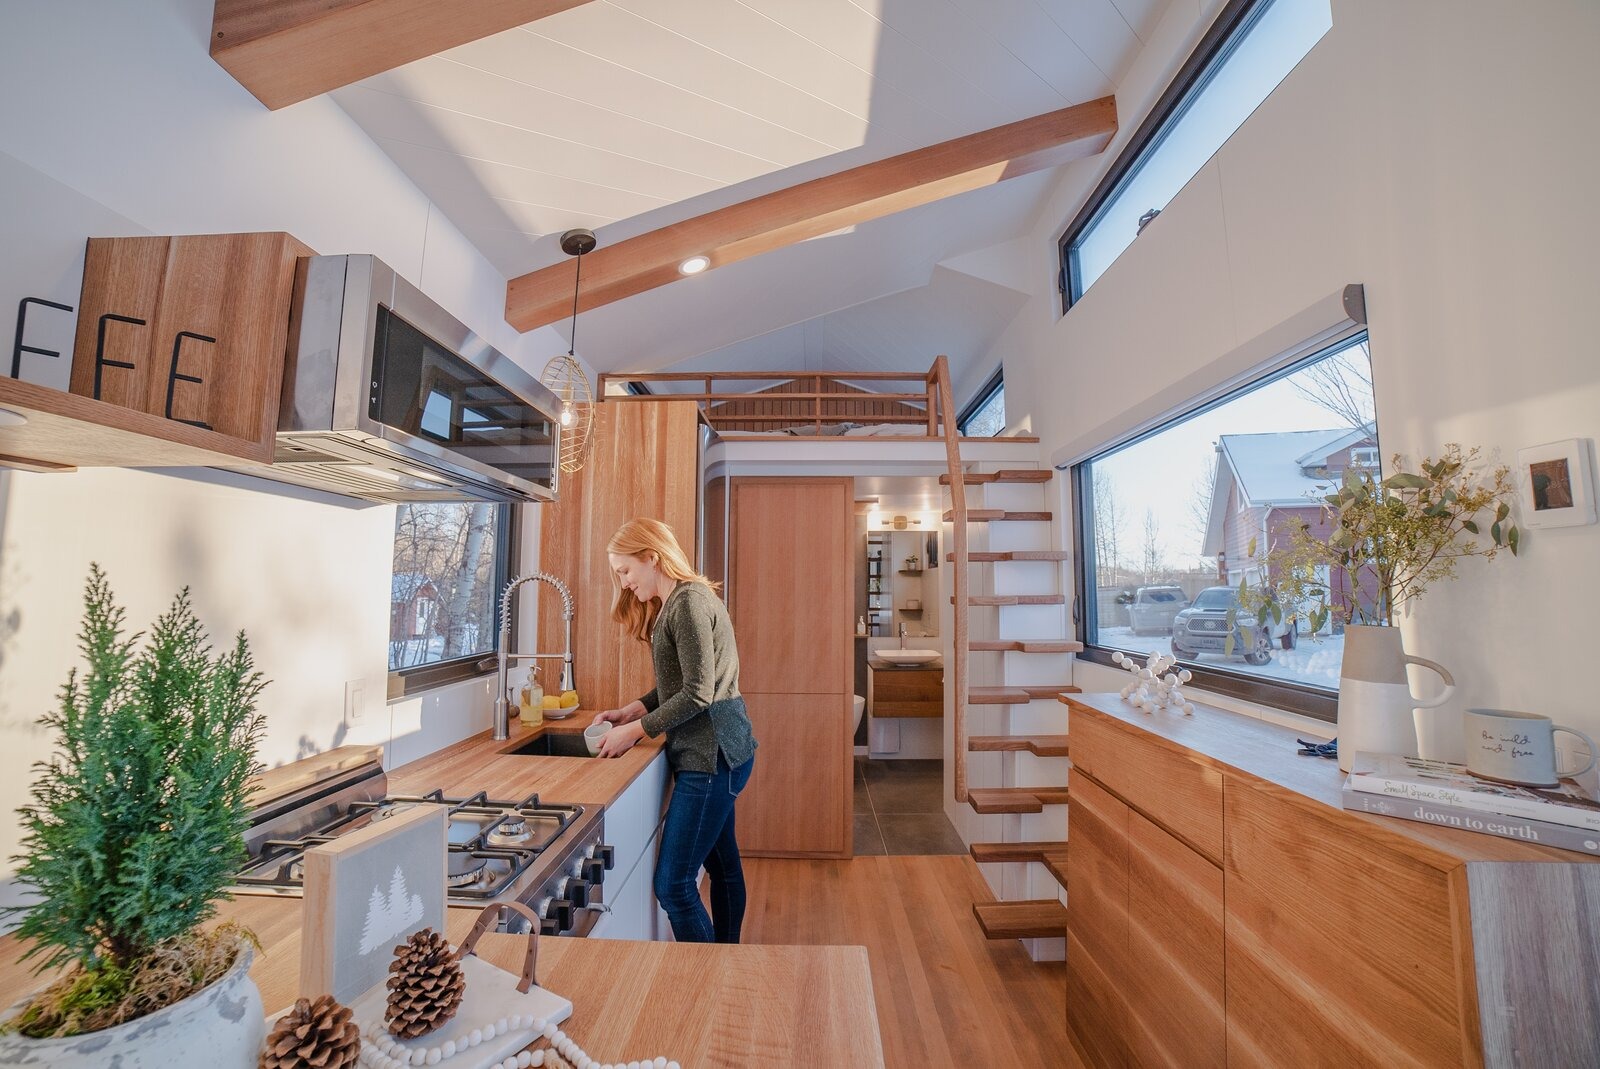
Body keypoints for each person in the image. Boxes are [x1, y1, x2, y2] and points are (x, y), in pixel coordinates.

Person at [590, 518, 757, 944]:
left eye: (625, 570)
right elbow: (683, 682)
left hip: (711, 756)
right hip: (720, 751)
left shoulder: (687, 604)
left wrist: (636, 731)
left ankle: (708, 971)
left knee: (673, 885)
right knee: (723, 867)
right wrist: (634, 709)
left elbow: (698, 693)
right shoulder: (682, 600)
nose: (624, 582)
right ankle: (728, 959)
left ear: (652, 557)